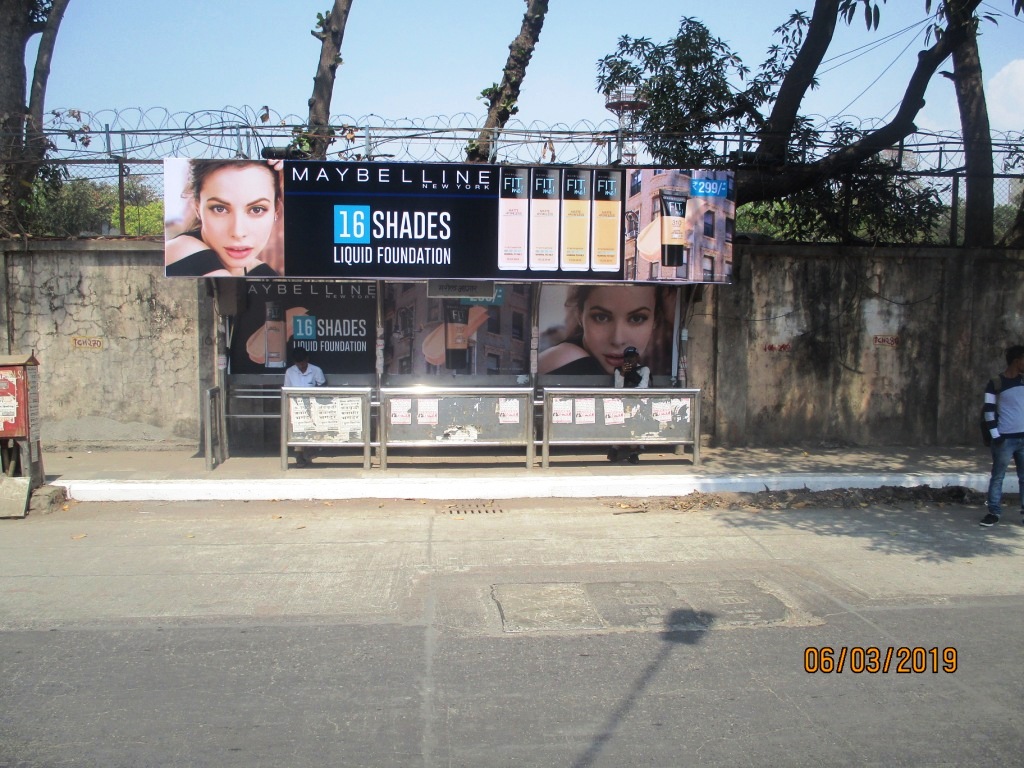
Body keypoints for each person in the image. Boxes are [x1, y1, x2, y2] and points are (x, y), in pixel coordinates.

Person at [165, 159, 283, 277]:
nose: (238, 232)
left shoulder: (261, 271)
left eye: (257, 209)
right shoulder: (181, 250)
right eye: (219, 209)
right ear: (197, 207)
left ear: (276, 209)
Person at [538, 284, 672, 376]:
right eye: (601, 317)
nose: (617, 339)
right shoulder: (571, 361)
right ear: (579, 314)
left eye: (637, 319)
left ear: (655, 320)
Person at [980, 344, 1024, 526]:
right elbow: (988, 411)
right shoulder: (996, 382)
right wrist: (996, 435)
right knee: (998, 476)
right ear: (1017, 361)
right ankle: (994, 512)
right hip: (1005, 439)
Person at [283, 346, 326, 467]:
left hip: (313, 406)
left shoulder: (316, 370)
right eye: (299, 364)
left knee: (313, 430)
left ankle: (311, 450)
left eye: (303, 363)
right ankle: (299, 456)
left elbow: (322, 387)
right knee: (297, 432)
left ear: (307, 359)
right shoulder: (290, 372)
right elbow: (286, 390)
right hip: (296, 406)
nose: (301, 366)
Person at [608, 346, 650, 464]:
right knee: (620, 427)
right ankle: (615, 449)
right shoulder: (619, 370)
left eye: (632, 357)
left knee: (634, 429)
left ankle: (633, 453)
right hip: (623, 404)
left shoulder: (644, 369)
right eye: (627, 358)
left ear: (637, 358)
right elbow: (618, 389)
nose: (630, 360)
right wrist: (623, 373)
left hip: (638, 404)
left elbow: (643, 388)